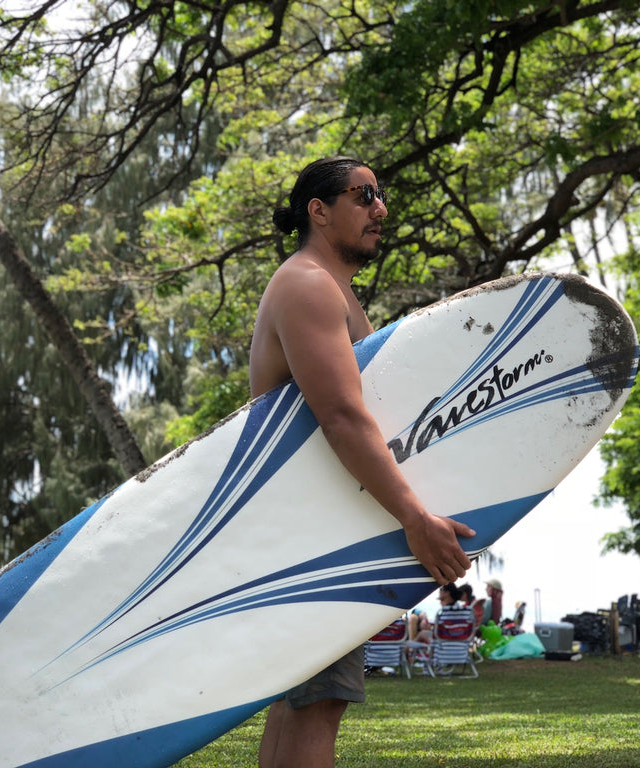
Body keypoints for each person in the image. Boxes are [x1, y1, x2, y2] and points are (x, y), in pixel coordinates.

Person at [252, 156, 476, 768]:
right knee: (319, 702)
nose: (382, 208)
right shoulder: (306, 285)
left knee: (306, 702)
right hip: (309, 534)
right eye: (364, 196)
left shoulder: (331, 287)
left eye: (381, 195)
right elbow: (343, 417)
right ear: (318, 212)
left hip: (315, 529)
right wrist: (415, 517)